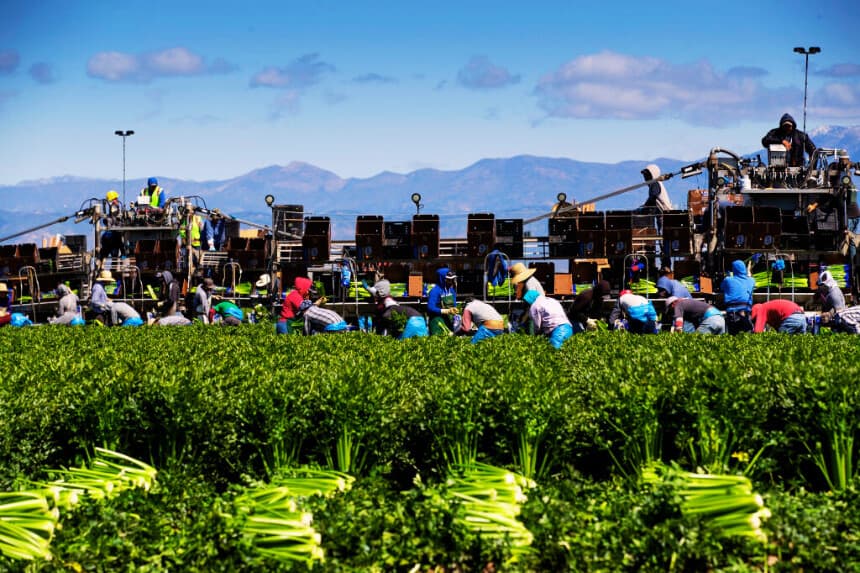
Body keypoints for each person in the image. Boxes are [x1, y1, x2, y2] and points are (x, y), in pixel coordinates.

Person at [720, 260, 756, 335]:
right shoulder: (751, 280)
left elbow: (722, 287)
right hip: (746, 312)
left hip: (733, 313)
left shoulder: (728, 280)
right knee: (747, 337)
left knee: (733, 338)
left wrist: (728, 276)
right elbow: (749, 279)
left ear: (734, 269)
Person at [427, 267, 458, 335]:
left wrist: (455, 311)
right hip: (437, 321)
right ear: (442, 279)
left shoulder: (451, 290)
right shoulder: (435, 291)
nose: (451, 282)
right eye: (449, 280)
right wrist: (446, 311)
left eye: (452, 279)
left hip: (448, 320)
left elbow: (454, 303)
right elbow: (430, 307)